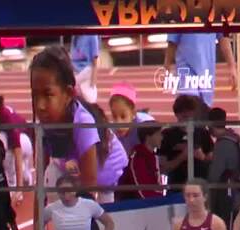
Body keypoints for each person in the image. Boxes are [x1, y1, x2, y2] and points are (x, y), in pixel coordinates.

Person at [30, 46, 128, 202]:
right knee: (52, 175)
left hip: (107, 177)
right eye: (35, 95)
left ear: (68, 94)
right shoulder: (43, 124)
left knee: (98, 212)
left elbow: (89, 191)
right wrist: (39, 218)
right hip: (76, 169)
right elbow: (39, 185)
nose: (40, 106)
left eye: (48, 94)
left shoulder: (83, 123)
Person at [164, 32, 237, 107]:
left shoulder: (216, 23)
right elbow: (172, 42)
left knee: (204, 107)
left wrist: (232, 67)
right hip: (186, 69)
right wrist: (167, 66)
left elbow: (223, 38)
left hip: (207, 71)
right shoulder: (180, 23)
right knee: (189, 104)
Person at [42, 176, 114, 230]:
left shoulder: (89, 205)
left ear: (75, 191)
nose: (66, 195)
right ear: (58, 192)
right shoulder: (52, 208)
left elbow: (109, 223)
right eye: (62, 192)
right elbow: (39, 225)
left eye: (69, 191)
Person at [109, 83, 155, 156]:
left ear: (133, 113)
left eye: (123, 116)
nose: (118, 123)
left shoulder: (145, 129)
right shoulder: (110, 133)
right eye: (114, 116)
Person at [69, 34, 100, 104]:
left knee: (90, 101)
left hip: (86, 70)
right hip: (75, 71)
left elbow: (95, 60)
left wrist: (92, 84)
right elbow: (72, 57)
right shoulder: (74, 37)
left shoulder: (92, 36)